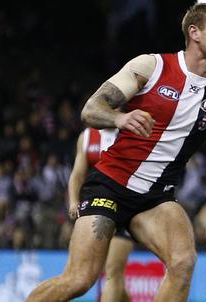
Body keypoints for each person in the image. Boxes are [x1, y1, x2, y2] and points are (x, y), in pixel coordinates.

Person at [27, 0, 206, 302]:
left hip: (155, 199)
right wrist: (120, 117)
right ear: (194, 32)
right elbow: (91, 110)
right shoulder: (151, 66)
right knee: (79, 280)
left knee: (183, 262)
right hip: (109, 188)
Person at [67, 127, 133, 302]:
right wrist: (74, 201)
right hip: (96, 209)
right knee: (90, 274)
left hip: (124, 208)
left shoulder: (131, 130)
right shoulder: (88, 136)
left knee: (113, 270)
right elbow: (78, 174)